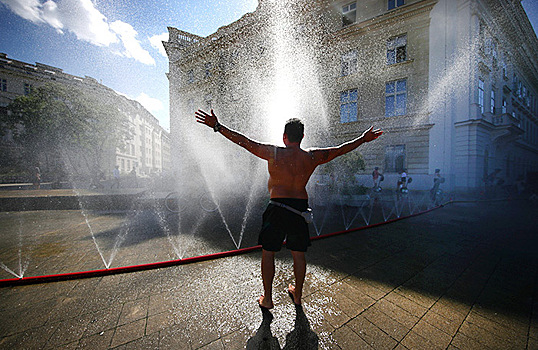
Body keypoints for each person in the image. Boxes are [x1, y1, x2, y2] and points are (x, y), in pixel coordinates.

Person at [195, 109, 382, 309]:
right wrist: (363, 139)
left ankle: (267, 299)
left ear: (284, 137)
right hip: (299, 209)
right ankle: (298, 295)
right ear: (302, 137)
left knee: (268, 253)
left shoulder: (273, 153)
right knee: (298, 254)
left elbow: (245, 142)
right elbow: (339, 150)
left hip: (276, 207)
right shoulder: (312, 157)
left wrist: (218, 126)